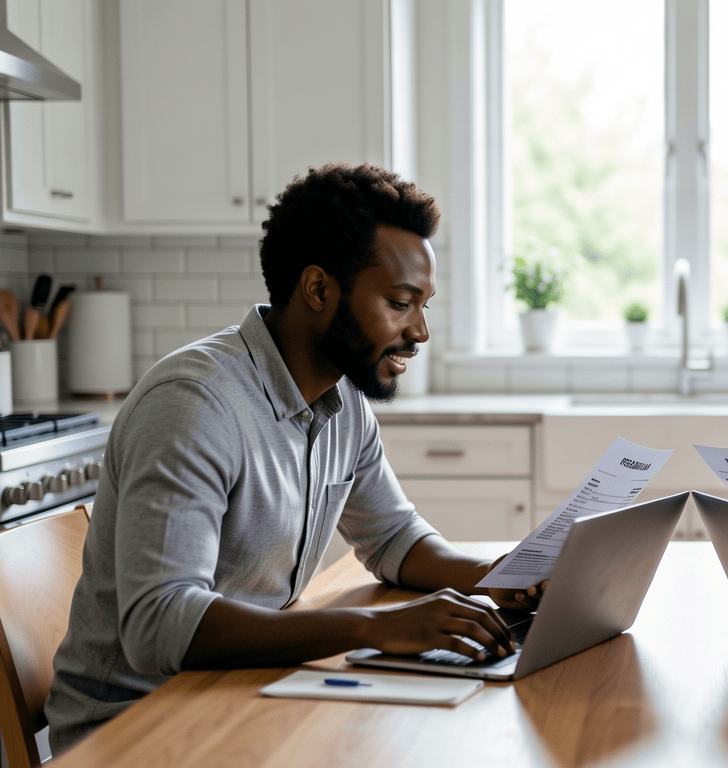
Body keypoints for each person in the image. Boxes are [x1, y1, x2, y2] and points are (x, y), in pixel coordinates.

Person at [46, 163, 543, 752]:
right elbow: (161, 624)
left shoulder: (344, 401)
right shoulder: (195, 406)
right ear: (318, 289)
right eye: (400, 302)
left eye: (423, 306)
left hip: (241, 692)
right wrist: (375, 628)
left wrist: (499, 579)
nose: (421, 332)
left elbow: (393, 539)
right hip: (134, 731)